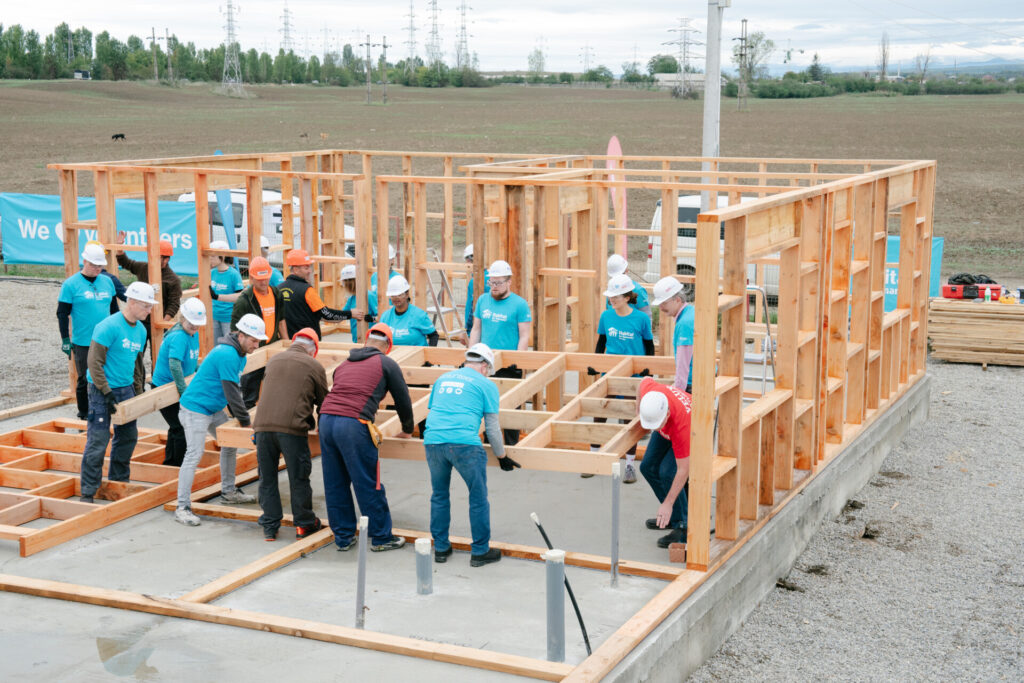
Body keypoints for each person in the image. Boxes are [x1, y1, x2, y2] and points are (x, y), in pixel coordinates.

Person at [318, 323, 414, 552]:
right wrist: (408, 429)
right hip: (353, 424)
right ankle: (381, 537)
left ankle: (343, 537)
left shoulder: (345, 363)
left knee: (335, 482)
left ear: (366, 342)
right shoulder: (386, 363)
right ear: (388, 346)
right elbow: (403, 399)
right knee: (368, 481)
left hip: (326, 420)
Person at [423, 343, 520, 567]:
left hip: (433, 441)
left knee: (439, 495)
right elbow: (493, 428)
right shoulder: (486, 384)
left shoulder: (443, 379)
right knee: (477, 497)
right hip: (465, 445)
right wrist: (502, 455)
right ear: (485, 365)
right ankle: (479, 552)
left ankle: (440, 548)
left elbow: (435, 410)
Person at [174, 313, 265, 526]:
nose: (256, 345)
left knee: (230, 444)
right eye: (253, 340)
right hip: (195, 409)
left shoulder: (238, 353)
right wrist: (245, 422)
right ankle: (182, 506)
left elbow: (232, 390)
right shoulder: (227, 354)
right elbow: (232, 392)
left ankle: (229, 492)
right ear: (241, 335)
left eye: (258, 341)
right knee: (194, 454)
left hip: (213, 408)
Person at [78, 281, 156, 503]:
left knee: (127, 437)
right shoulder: (108, 327)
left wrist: (139, 392)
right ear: (130, 301)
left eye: (150, 307)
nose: (149, 311)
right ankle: (88, 492)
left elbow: (138, 364)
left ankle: (119, 482)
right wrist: (106, 391)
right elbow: (93, 363)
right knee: (98, 440)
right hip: (101, 391)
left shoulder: (141, 331)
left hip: (126, 389)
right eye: (145, 306)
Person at [253, 328, 329, 541]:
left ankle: (269, 526)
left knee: (267, 478)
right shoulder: (314, 365)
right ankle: (304, 524)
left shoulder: (274, 360)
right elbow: (325, 403)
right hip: (292, 429)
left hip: (262, 428)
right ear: (313, 350)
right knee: (298, 477)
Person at [585, 273, 654, 484]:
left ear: (627, 297)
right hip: (610, 372)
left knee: (628, 418)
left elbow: (649, 346)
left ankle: (630, 466)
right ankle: (593, 460)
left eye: (615, 297)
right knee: (601, 411)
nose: (611, 300)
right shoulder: (607, 316)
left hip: (633, 375)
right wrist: (595, 365)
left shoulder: (641, 319)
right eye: (610, 296)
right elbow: (601, 342)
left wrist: (648, 371)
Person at [469, 259, 531, 444]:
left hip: (509, 363)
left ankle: (511, 444)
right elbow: (476, 329)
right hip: (486, 362)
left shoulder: (519, 305)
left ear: (509, 281)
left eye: (498, 283)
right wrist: (471, 356)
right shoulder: (483, 300)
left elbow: (524, 335)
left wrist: (518, 360)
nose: (494, 287)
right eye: (491, 282)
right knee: (487, 405)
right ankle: (490, 443)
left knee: (511, 405)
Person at [58, 242, 119, 420]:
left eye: (100, 265)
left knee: (108, 374)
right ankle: (84, 412)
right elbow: (62, 313)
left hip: (108, 339)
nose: (98, 269)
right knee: (85, 377)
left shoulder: (108, 282)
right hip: (84, 340)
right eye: (94, 265)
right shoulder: (71, 285)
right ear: (84, 261)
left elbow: (115, 310)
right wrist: (65, 339)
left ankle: (108, 408)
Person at [637, 376, 692, 549]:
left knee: (668, 472)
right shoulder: (651, 394)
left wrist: (667, 503)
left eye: (656, 424)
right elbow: (642, 381)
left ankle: (684, 525)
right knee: (647, 467)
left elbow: (684, 469)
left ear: (666, 414)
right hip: (669, 424)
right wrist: (639, 409)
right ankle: (672, 516)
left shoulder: (683, 427)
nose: (654, 429)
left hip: (689, 426)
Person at [151, 298, 206, 467]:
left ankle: (170, 464)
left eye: (197, 324)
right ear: (183, 318)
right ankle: (178, 467)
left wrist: (199, 370)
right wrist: (183, 391)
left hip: (178, 384)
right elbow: (174, 364)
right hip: (164, 387)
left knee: (175, 427)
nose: (195, 327)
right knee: (181, 428)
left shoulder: (192, 333)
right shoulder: (179, 337)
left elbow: (188, 361)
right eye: (191, 323)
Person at [230, 257, 287, 408]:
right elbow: (235, 331)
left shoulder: (276, 294)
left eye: (266, 278)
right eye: (259, 279)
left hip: (273, 346)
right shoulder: (244, 301)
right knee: (250, 395)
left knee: (276, 390)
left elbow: (281, 320)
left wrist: (287, 345)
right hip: (253, 351)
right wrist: (241, 354)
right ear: (251, 278)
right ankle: (246, 424)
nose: (263, 282)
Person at [278, 249, 365, 340]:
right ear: (295, 269)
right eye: (306, 268)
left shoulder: (279, 288)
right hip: (308, 342)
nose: (310, 271)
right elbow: (326, 315)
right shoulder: (307, 290)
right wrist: (350, 314)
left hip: (287, 342)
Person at [652, 276, 694, 392]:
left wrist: (677, 392)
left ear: (677, 300)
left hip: (693, 383)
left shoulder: (685, 323)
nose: (661, 308)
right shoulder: (691, 313)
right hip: (701, 379)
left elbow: (683, 363)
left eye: (664, 303)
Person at [380, 275, 438, 346]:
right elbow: (380, 339)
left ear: (407, 294)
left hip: (416, 355)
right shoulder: (385, 317)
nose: (396, 298)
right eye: (393, 295)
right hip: (393, 355)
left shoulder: (419, 315)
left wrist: (430, 354)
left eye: (399, 295)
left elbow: (433, 335)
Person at [206, 239, 244, 341]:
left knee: (230, 345)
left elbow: (239, 296)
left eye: (213, 256)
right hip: (214, 316)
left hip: (229, 318)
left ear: (222, 257)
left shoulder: (233, 274)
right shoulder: (211, 273)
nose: (210, 259)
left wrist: (218, 297)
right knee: (215, 346)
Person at [339, 264, 377, 343]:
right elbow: (342, 315)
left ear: (350, 283)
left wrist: (372, 319)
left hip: (371, 340)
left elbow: (382, 316)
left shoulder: (369, 296)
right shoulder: (352, 298)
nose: (344, 285)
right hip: (357, 340)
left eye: (344, 282)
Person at [462, 243, 489, 341]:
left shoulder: (474, 281)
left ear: (469, 260)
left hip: (476, 330)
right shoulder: (491, 277)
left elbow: (472, 308)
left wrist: (467, 331)